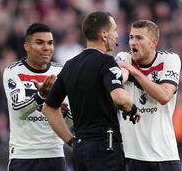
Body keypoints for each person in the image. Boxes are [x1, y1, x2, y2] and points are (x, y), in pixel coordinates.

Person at [42, 11, 140, 171]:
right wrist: (133, 108)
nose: (116, 35)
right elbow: (121, 99)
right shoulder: (107, 62)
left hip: (80, 150)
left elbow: (48, 108)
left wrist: (71, 141)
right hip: (105, 149)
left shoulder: (70, 65)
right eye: (114, 30)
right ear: (103, 35)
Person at [3, 23, 72, 171]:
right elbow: (19, 110)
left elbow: (70, 121)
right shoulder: (13, 72)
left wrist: (63, 110)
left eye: (50, 43)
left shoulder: (60, 71)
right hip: (24, 156)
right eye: (40, 42)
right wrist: (41, 95)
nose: (46, 48)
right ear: (27, 46)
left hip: (55, 154)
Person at [115, 20, 182, 171]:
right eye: (131, 37)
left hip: (164, 155)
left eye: (139, 38)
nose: (133, 42)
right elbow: (121, 76)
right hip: (131, 156)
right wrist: (123, 74)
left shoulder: (169, 60)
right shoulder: (124, 58)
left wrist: (135, 72)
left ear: (153, 42)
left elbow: (164, 96)